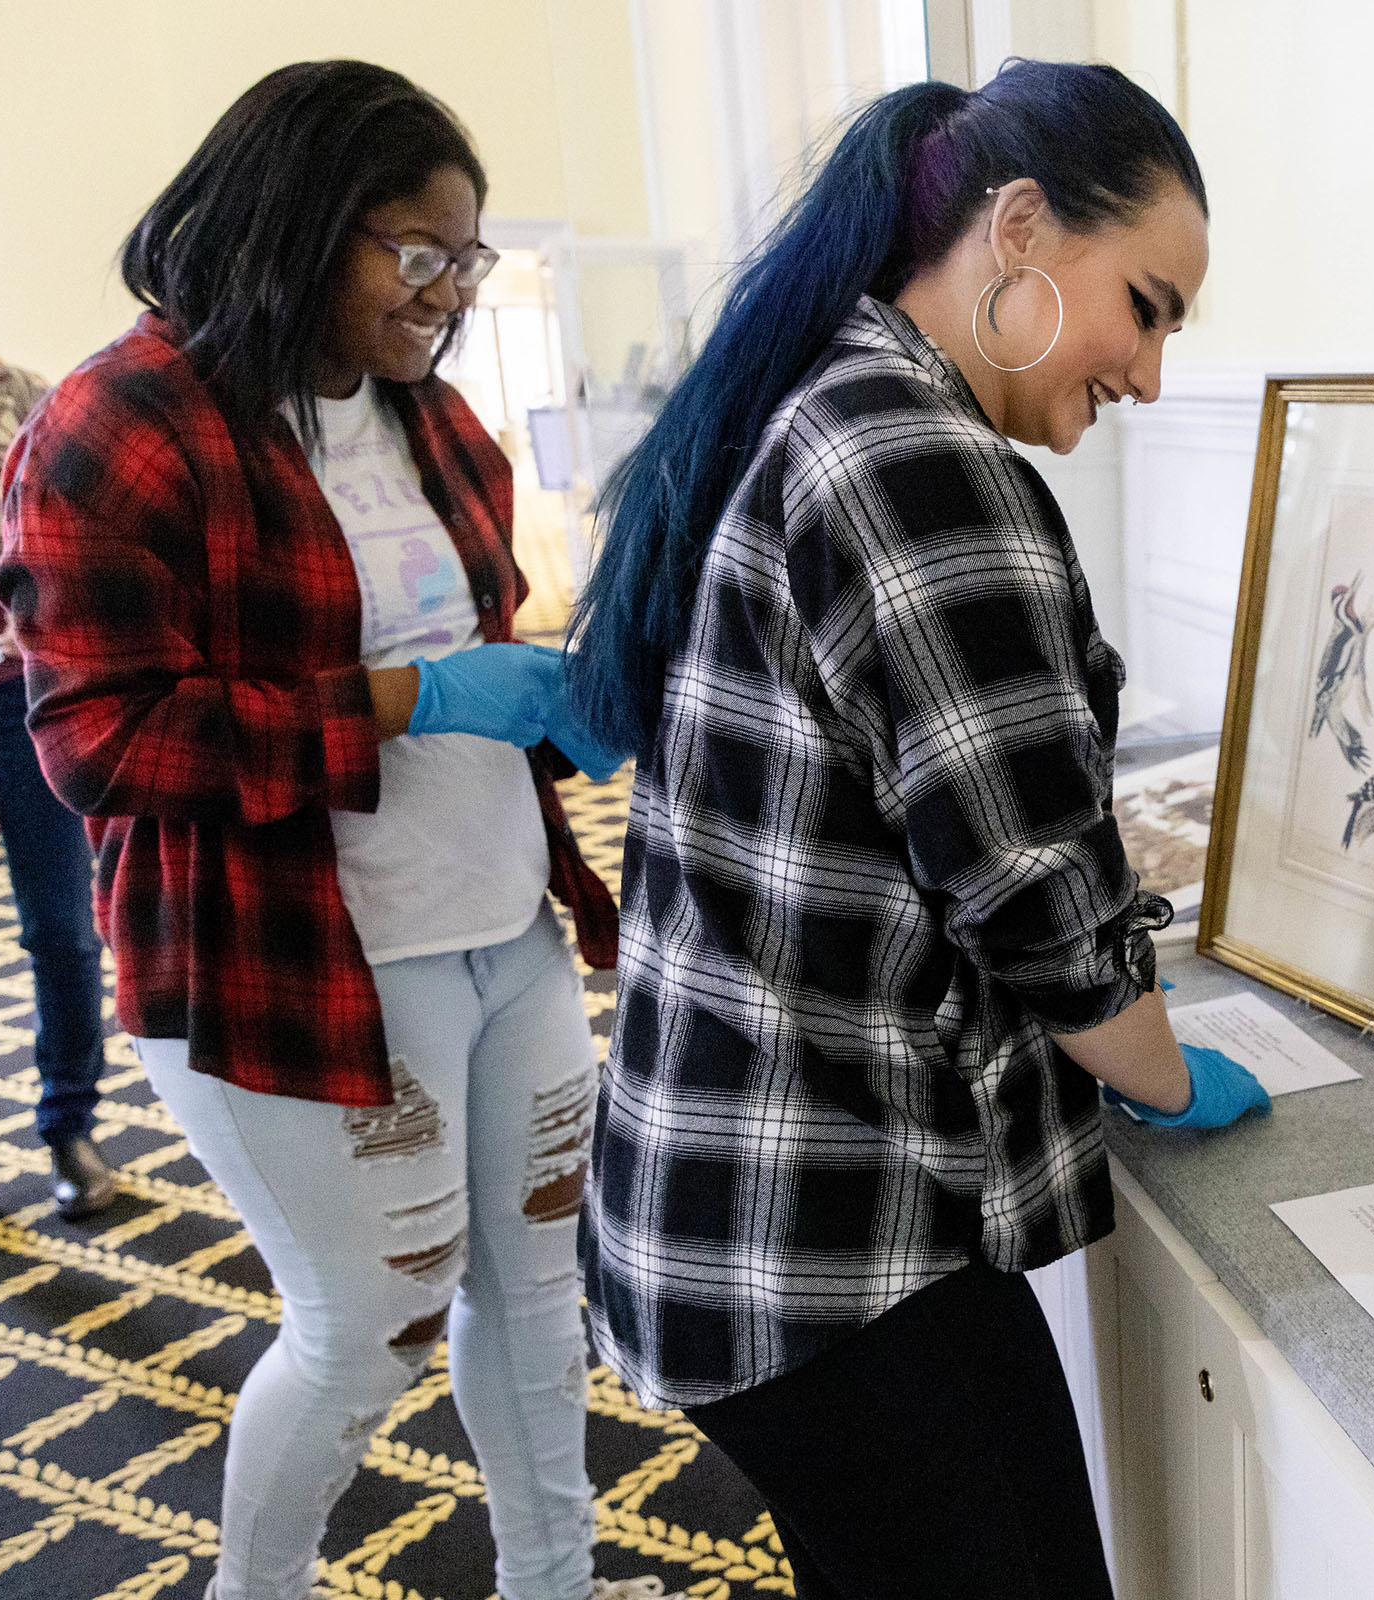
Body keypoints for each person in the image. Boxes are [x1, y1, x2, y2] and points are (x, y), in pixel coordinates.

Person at [565, 61, 1264, 1600]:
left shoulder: (836, 396)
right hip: (818, 1239)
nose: (1148, 374)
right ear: (1019, 226)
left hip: (765, 1204)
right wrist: (1160, 1067)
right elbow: (1038, 901)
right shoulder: (915, 454)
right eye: (1145, 307)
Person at [0, 62, 656, 1600]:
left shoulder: (426, 416)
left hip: (502, 925)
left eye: (464, 262)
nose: (446, 295)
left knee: (539, 1296)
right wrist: (409, 700)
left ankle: (553, 1583)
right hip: (301, 962)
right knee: (369, 1334)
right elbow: (100, 738)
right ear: (297, 221)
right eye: (416, 256)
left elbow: (477, 643)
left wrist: (553, 699)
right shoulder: (121, 424)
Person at [0, 335, 113, 1219]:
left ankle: (69, 1125)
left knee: (61, 927)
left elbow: (84, 537)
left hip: (23, 691)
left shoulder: (26, 397)